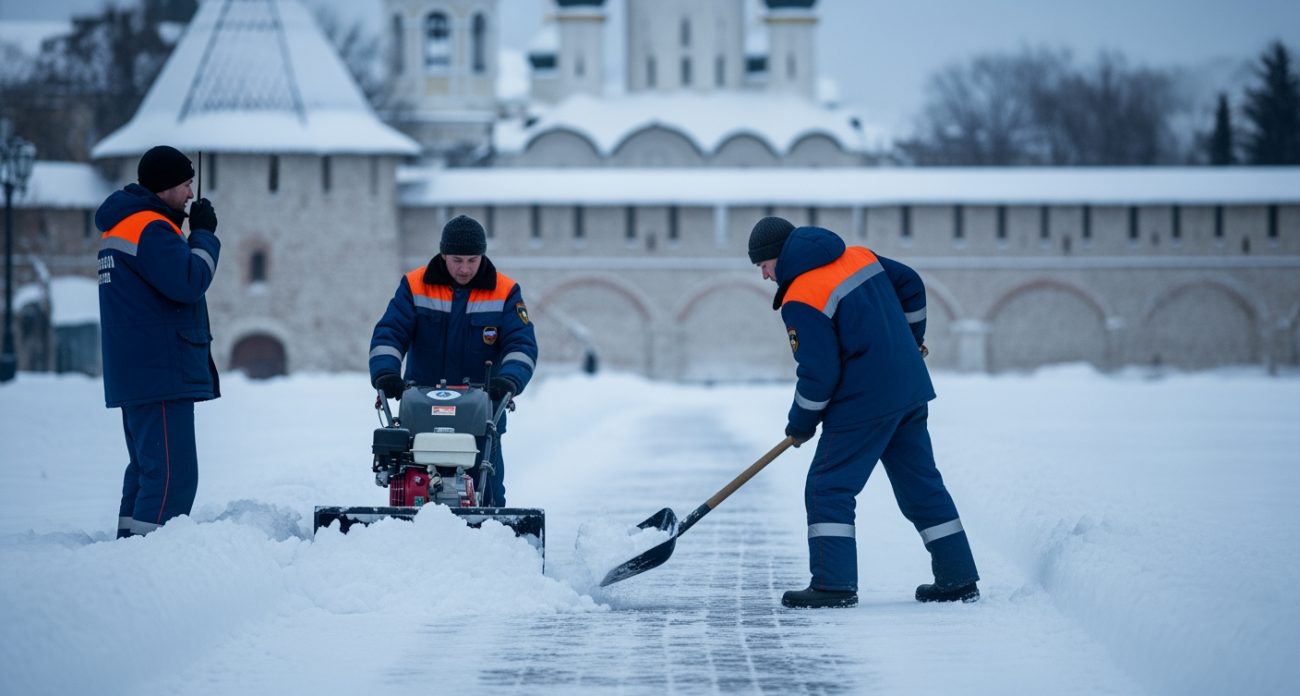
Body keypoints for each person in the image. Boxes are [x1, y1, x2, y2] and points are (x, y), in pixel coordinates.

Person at [747, 216, 979, 609]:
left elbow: (819, 374)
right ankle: (958, 579)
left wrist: (800, 424)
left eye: (763, 266)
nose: (765, 276)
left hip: (864, 401)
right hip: (909, 388)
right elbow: (911, 283)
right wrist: (910, 340)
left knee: (827, 487)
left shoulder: (801, 296)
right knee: (921, 483)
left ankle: (833, 585)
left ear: (775, 257)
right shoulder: (858, 256)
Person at [368, 215, 538, 506]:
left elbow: (521, 344)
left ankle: (494, 534)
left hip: (483, 408)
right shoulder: (415, 286)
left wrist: (509, 379)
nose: (465, 268)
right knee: (415, 478)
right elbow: (390, 333)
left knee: (487, 483)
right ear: (443, 254)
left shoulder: (505, 292)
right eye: (457, 259)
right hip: (421, 403)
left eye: (473, 260)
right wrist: (385, 374)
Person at [97, 145, 220, 538]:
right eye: (185, 184)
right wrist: (203, 235)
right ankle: (149, 564)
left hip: (136, 373)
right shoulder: (150, 228)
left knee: (147, 470)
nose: (190, 194)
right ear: (165, 187)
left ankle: (127, 551)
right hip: (160, 372)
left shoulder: (122, 225)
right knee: (173, 476)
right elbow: (189, 281)